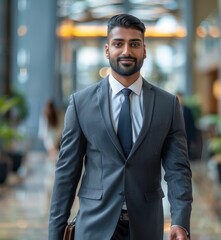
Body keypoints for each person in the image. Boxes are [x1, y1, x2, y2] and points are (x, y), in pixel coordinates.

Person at [48, 14, 193, 240]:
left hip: (145, 226)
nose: (126, 51)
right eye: (118, 43)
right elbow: (67, 173)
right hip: (94, 225)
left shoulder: (168, 104)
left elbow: (178, 170)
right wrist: (55, 234)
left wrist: (180, 221)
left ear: (144, 50)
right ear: (107, 50)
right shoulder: (81, 103)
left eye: (134, 44)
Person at [176, 92, 197, 160]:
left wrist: (193, 138)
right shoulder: (172, 109)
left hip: (187, 134)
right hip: (176, 135)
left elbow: (192, 124)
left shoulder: (188, 110)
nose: (180, 100)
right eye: (178, 98)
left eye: (181, 98)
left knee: (187, 151)